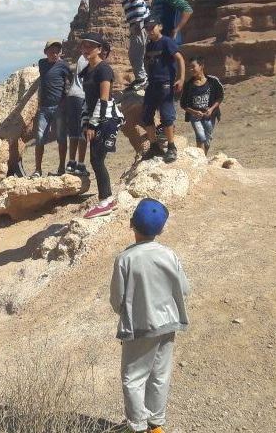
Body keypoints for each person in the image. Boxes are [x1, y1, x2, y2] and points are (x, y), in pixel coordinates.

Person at [110, 198, 190, 433]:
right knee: (159, 374)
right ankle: (156, 425)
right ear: (162, 229)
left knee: (133, 378)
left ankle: (137, 426)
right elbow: (184, 289)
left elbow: (117, 299)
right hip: (169, 323)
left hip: (140, 328)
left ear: (131, 224)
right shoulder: (169, 254)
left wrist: (123, 314)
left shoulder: (125, 259)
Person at [79, 33, 124, 219]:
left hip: (105, 120)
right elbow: (87, 100)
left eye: (91, 46)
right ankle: (106, 199)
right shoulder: (86, 71)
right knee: (96, 159)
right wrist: (84, 121)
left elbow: (104, 99)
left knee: (97, 159)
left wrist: (92, 124)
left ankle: (106, 200)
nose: (86, 48)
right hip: (93, 119)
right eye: (84, 45)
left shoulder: (104, 69)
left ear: (99, 49)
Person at [141, 18, 185, 164]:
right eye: (147, 28)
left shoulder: (167, 41)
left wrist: (181, 78)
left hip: (165, 84)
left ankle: (171, 147)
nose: (150, 30)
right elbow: (147, 62)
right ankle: (154, 146)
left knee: (166, 116)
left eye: (152, 27)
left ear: (159, 26)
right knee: (146, 115)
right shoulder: (149, 45)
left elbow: (180, 58)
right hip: (152, 84)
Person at [103, 0, 151, 93]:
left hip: (139, 26)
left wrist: (137, 25)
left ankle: (142, 79)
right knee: (136, 53)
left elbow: (140, 7)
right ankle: (141, 78)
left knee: (136, 54)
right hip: (138, 25)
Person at [33, 40, 71, 178]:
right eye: (51, 51)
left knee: (61, 137)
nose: (54, 54)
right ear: (45, 52)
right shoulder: (42, 63)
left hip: (59, 108)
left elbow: (72, 81)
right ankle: (38, 170)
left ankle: (61, 168)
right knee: (39, 138)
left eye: (57, 51)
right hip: (44, 108)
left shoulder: (64, 65)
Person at [180, 58, 224, 155]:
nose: (191, 70)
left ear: (201, 66)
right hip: (195, 116)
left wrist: (212, 109)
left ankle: (203, 157)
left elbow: (220, 97)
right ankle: (200, 162)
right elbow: (183, 104)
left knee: (207, 140)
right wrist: (194, 112)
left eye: (193, 67)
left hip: (210, 115)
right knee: (200, 137)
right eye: (189, 67)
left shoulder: (213, 81)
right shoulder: (188, 85)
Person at [64, 48, 89, 176]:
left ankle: (71, 163)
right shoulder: (90, 59)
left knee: (73, 131)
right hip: (82, 96)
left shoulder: (81, 57)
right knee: (83, 131)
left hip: (72, 95)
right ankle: (80, 165)